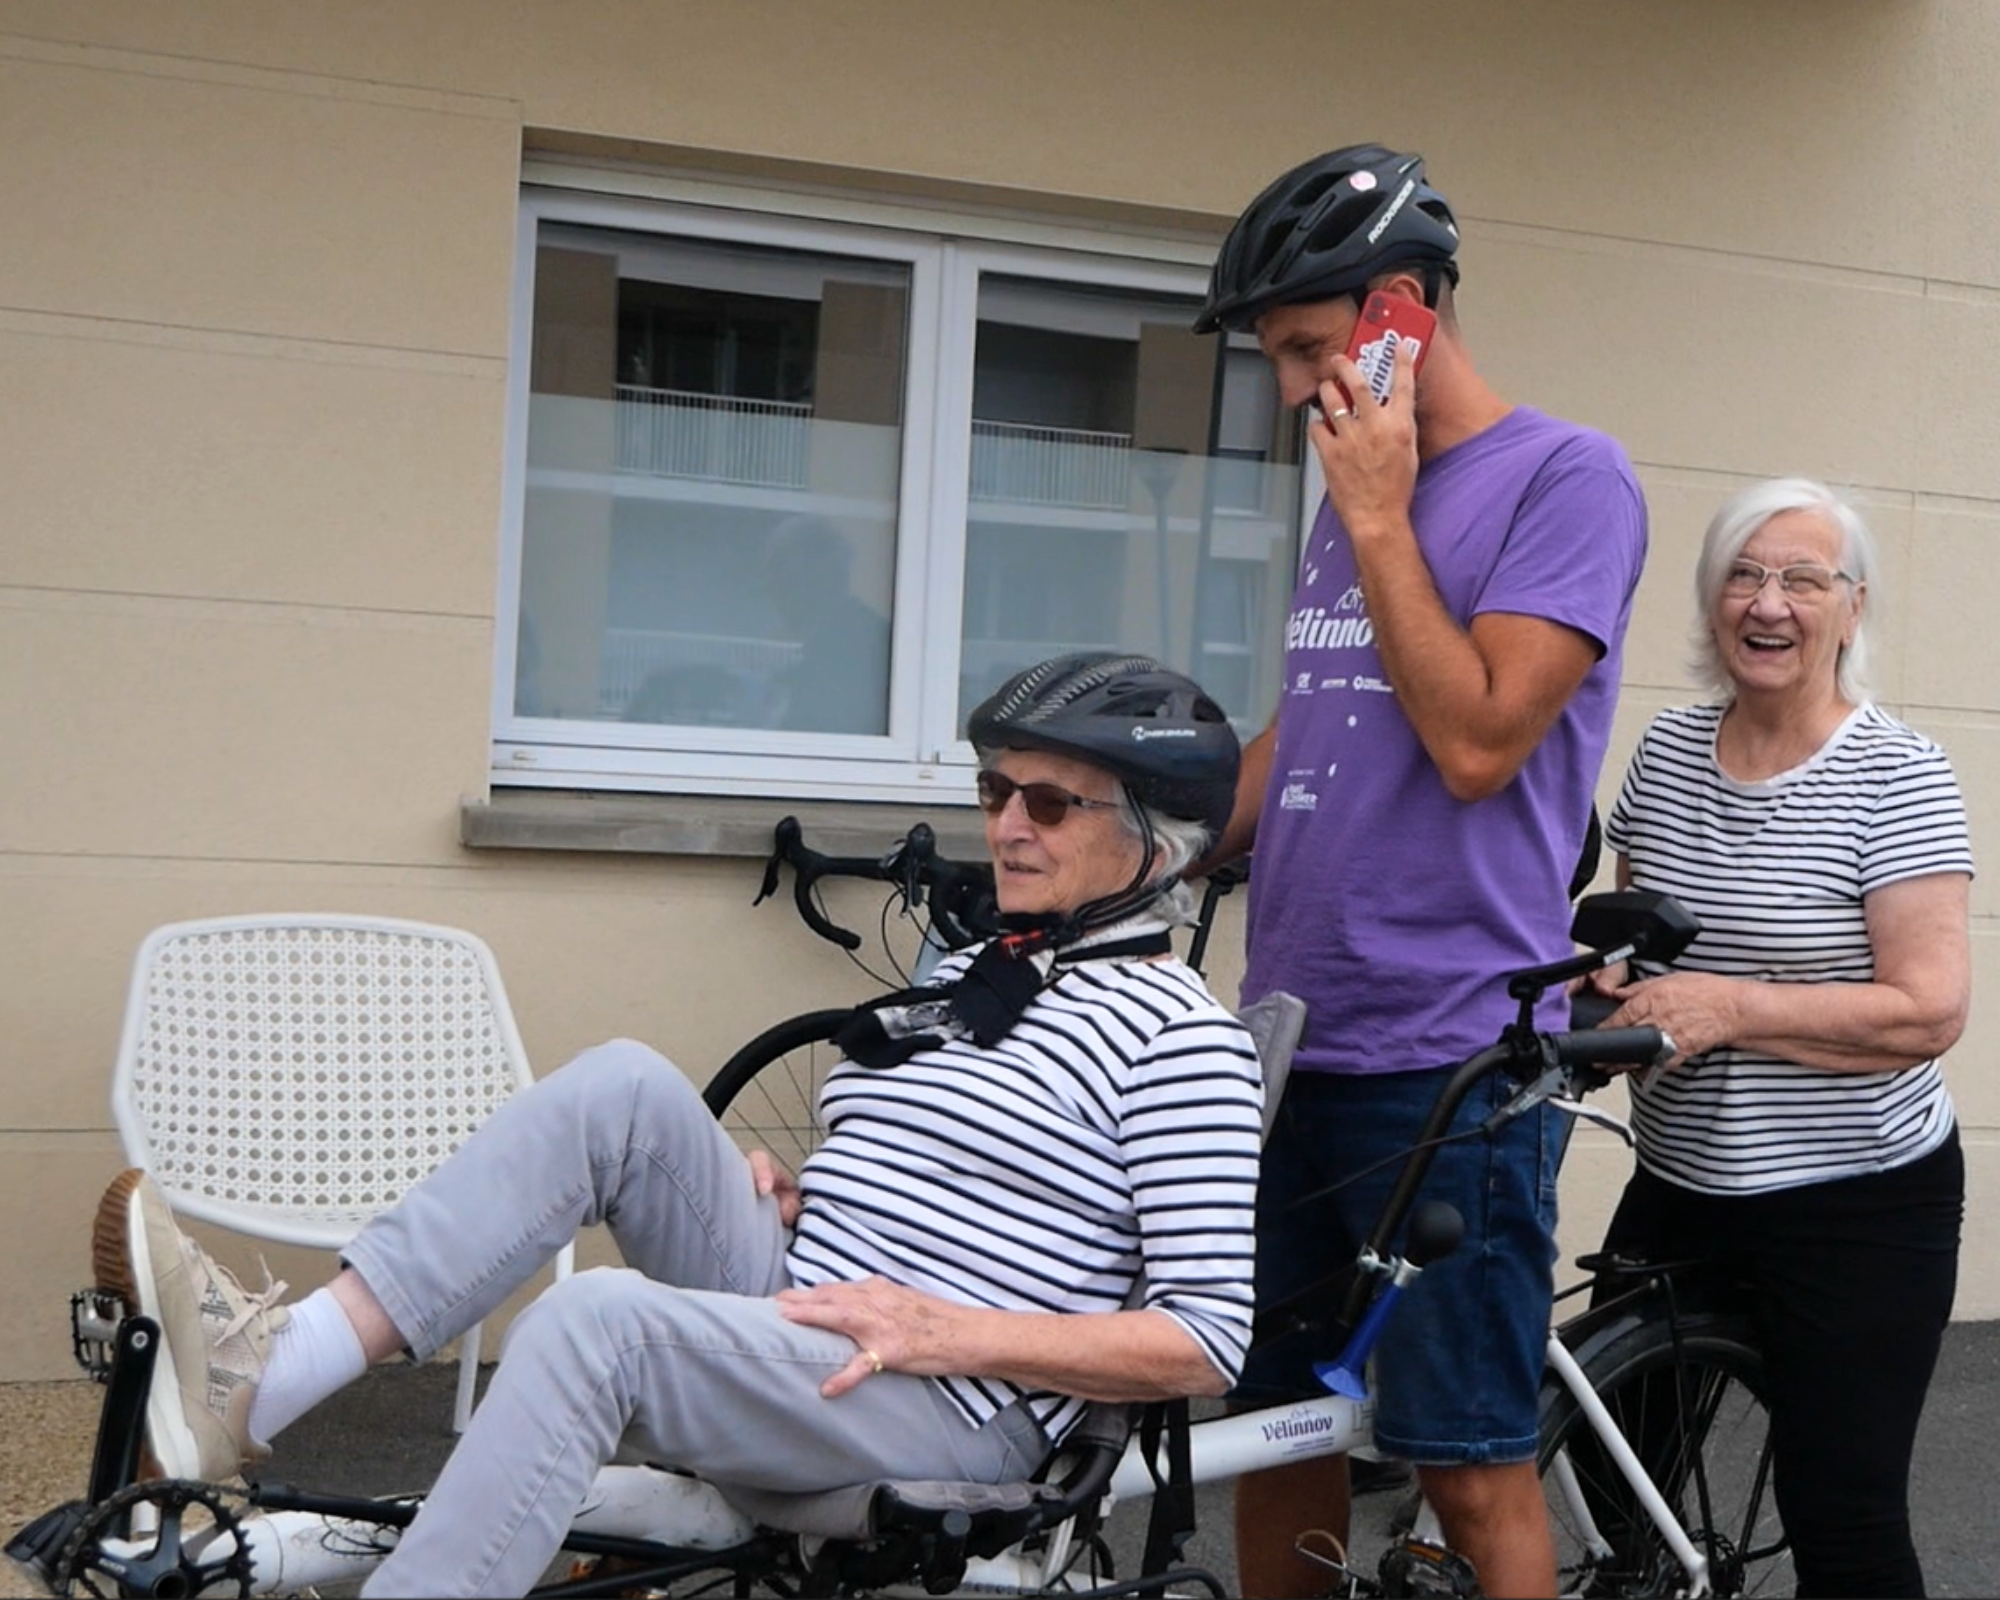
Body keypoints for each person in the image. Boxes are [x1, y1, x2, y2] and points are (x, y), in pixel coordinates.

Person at [92, 653, 1265, 1599]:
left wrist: (939, 1325)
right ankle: (259, 1384)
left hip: (939, 1404)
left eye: (1048, 802)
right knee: (623, 1087)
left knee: (601, 1319)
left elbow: (1206, 1338)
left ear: (1156, 835)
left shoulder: (1177, 1036)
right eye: (993, 792)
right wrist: (822, 1191)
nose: (1005, 824)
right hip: (814, 1311)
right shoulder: (980, 970)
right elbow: (952, 1169)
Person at [1192, 144, 1648, 1598]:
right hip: (1291, 1039)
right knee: (1274, 1434)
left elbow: (1475, 740)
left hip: (1447, 1058)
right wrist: (1144, 829)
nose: (1291, 388)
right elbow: (1316, 720)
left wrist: (1383, 515)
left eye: (1313, 348)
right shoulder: (1355, 491)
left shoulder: (1566, 479)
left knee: (1466, 1455)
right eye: (1277, 357)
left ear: (1400, 310)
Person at [1583, 478, 1972, 1598]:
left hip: (1853, 1203)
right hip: (1682, 1181)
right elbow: (1641, 947)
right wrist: (1613, 985)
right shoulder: (1662, 753)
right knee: (1612, 1479)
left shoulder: (1894, 773)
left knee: (1837, 1513)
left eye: (1801, 579)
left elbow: (1927, 1009)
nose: (1767, 601)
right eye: (1742, 576)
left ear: (1850, 610)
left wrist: (1731, 1006)